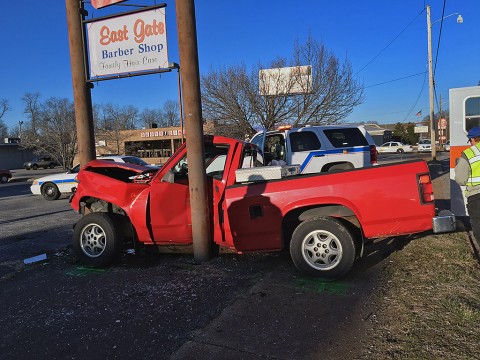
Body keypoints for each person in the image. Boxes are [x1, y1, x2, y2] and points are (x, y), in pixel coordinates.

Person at [455, 126, 480, 241]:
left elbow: (460, 179)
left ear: (473, 139)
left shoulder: (468, 154)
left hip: (476, 197)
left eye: (470, 141)